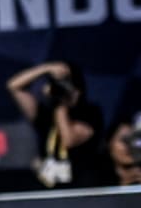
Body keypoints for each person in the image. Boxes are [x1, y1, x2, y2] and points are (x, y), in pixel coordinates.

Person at [6, 59, 105, 188]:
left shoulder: (90, 113)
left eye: (67, 82)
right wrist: (46, 68)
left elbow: (68, 140)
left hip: (78, 186)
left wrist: (61, 102)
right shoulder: (45, 113)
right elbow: (13, 86)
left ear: (78, 89)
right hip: (47, 184)